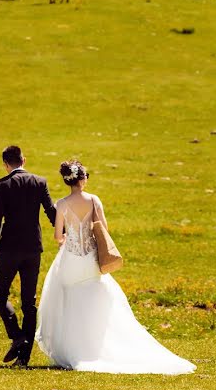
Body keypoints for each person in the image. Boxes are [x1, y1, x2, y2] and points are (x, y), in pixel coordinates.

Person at [35, 159, 195, 374]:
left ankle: (75, 349)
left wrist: (69, 238)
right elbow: (104, 229)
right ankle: (97, 345)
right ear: (82, 179)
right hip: (91, 258)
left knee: (70, 302)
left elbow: (57, 236)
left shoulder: (62, 204)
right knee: (94, 297)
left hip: (71, 258)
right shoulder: (93, 200)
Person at [0, 145, 56, 367]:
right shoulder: (39, 182)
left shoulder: (1, 184)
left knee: (0, 294)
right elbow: (50, 211)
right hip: (33, 248)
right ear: (23, 160)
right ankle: (24, 357)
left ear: (5, 164)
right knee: (29, 302)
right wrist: (64, 232)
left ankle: (17, 335)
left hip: (9, 248)